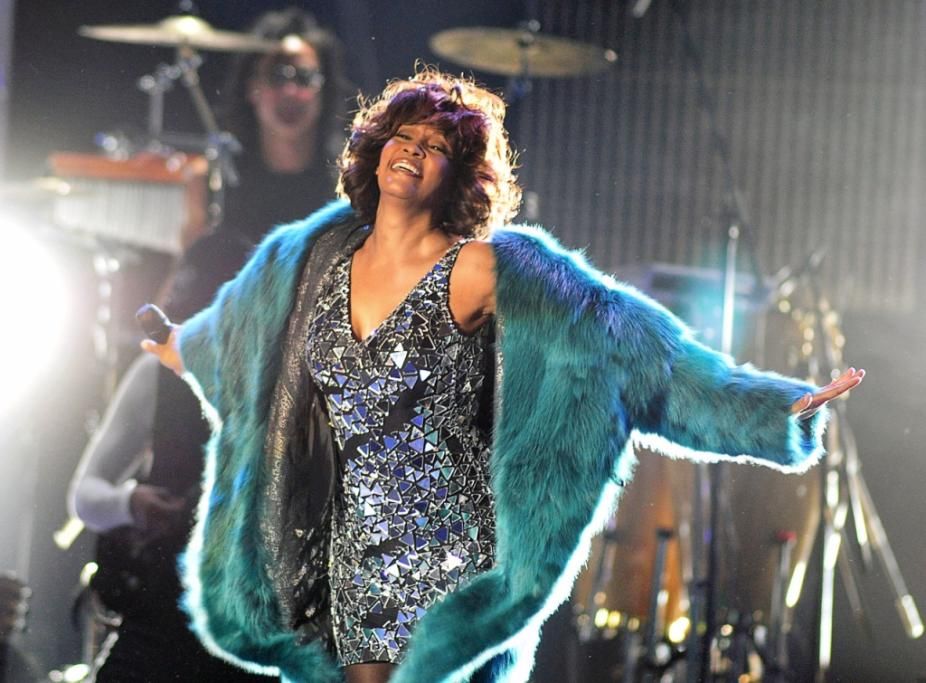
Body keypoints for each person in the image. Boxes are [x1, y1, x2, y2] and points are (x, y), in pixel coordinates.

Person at [142, 68, 863, 683]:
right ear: (375, 147)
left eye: (436, 147)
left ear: (460, 176)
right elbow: (238, 339)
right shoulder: (311, 258)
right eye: (403, 135)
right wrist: (177, 346)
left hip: (439, 551)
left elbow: (631, 350)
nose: (413, 151)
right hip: (334, 551)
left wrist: (771, 408)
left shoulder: (482, 266)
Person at [68, 8, 348, 681]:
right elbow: (87, 491)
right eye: (276, 75)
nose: (290, 90)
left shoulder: (340, 217)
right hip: (174, 584)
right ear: (251, 87)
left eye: (304, 77)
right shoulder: (219, 223)